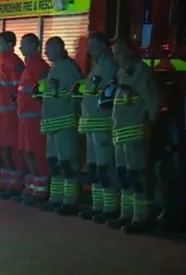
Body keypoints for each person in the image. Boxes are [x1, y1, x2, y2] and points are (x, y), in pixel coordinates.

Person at [107, 39, 161, 233]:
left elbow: (153, 102)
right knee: (125, 175)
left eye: (118, 53)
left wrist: (148, 126)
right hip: (121, 133)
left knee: (138, 176)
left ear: (129, 53)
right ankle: (126, 214)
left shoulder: (142, 72)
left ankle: (142, 217)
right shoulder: (121, 73)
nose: (115, 58)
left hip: (135, 132)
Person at [73, 32, 121, 223]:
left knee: (104, 167)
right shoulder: (99, 67)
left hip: (102, 125)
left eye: (93, 45)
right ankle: (99, 206)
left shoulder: (109, 67)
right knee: (95, 167)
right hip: (93, 125)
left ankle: (110, 207)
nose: (89, 50)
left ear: (104, 45)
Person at [38, 37, 84, 215]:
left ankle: (70, 201)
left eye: (49, 48)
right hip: (52, 124)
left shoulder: (68, 69)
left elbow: (75, 95)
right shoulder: (55, 69)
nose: (46, 52)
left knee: (67, 163)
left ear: (59, 48)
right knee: (55, 164)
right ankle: (56, 198)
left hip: (64, 123)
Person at [0, 31, 25, 199]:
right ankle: (5, 183)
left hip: (11, 116)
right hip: (2, 114)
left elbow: (19, 90)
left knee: (11, 150)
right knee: (2, 150)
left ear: (10, 45)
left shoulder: (14, 63)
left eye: (0, 43)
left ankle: (15, 185)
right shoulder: (3, 63)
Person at [14, 33, 51, 205]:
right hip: (25, 119)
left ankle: (40, 191)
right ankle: (31, 187)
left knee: (35, 153)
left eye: (24, 44)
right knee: (26, 153)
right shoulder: (29, 66)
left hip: (34, 119)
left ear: (34, 46)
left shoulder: (38, 67)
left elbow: (42, 94)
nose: (20, 48)